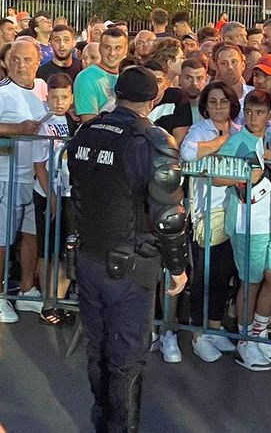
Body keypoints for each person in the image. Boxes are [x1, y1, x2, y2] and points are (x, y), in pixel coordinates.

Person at [66, 66, 189, 432]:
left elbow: (77, 191)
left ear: (117, 93)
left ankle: (102, 417)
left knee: (98, 346)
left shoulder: (84, 133)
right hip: (131, 263)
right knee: (127, 357)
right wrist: (178, 265)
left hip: (89, 256)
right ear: (152, 100)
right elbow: (168, 215)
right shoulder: (152, 140)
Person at [215, 90, 271, 371]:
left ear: (270, 115)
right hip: (247, 224)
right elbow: (215, 176)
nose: (253, 117)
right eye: (249, 112)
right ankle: (245, 341)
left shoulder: (265, 140)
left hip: (268, 222)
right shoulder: (236, 142)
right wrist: (244, 176)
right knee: (251, 282)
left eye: (259, 112)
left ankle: (259, 333)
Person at [180, 82, 241, 364]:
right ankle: (198, 334)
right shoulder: (199, 130)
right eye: (213, 102)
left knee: (222, 274)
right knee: (203, 275)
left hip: (231, 213)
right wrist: (218, 143)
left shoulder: (240, 131)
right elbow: (188, 154)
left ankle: (215, 328)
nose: (218, 107)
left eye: (224, 101)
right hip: (204, 212)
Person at [0, 40, 48, 323]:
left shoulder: (42, 89)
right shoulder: (3, 92)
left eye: (27, 59)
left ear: (37, 62)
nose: (21, 65)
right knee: (3, 240)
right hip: (7, 177)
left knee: (31, 235)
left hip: (37, 178)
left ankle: (27, 289)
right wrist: (16, 130)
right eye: (15, 59)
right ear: (6, 62)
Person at [31, 73, 77, 325]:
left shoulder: (72, 123)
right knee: (49, 251)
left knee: (65, 252)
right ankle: (48, 303)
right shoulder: (43, 123)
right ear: (47, 97)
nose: (59, 102)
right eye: (54, 97)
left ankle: (57, 300)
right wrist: (51, 197)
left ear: (71, 97)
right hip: (49, 194)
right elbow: (40, 166)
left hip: (69, 193)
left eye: (64, 97)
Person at [74, 28, 128, 122]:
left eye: (117, 48)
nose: (112, 53)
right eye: (107, 47)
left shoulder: (126, 77)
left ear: (126, 50)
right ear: (100, 48)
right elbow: (89, 122)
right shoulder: (86, 77)